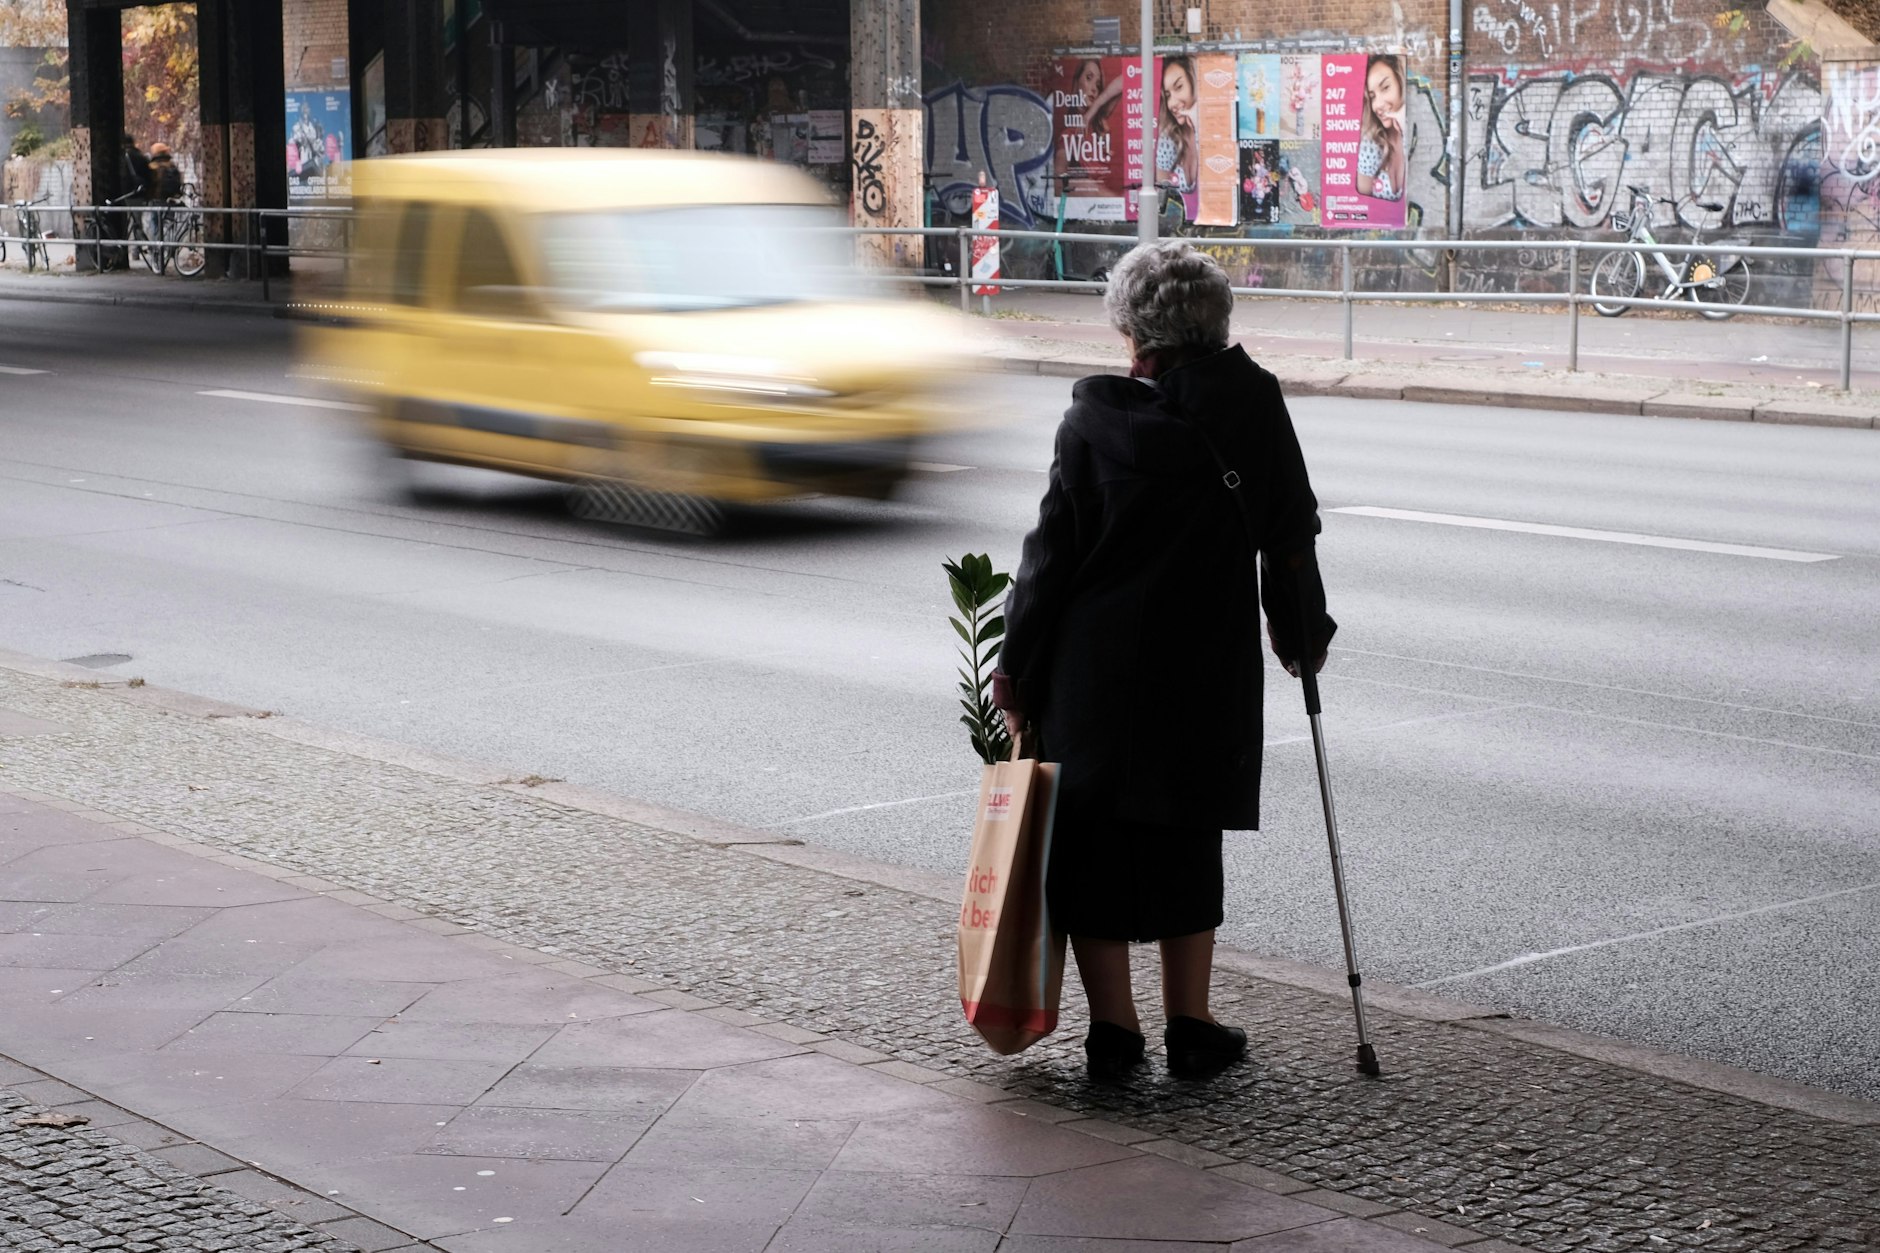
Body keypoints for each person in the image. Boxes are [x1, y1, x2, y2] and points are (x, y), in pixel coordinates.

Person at [992, 241, 1336, 1082]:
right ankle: (1193, 1025)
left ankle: (1114, 1032)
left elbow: (1049, 558)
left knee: (1092, 844)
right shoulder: (1253, 403)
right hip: (1203, 663)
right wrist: (1299, 633)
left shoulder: (1091, 420)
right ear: (1216, 320)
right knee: (1187, 833)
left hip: (1093, 667)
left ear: (1128, 328)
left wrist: (1017, 672)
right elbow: (1289, 532)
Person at [1357, 54, 1408, 202]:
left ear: (1401, 84)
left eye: (1385, 88)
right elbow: (1361, 205)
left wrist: (1405, 130)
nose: (1377, 105)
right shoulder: (1372, 144)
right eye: (1372, 96)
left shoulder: (1419, 133)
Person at [1154, 56, 1200, 198]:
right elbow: (1161, 198)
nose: (1171, 103)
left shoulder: (1213, 127)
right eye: (1167, 95)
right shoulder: (1169, 138)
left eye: (1179, 87)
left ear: (1194, 83)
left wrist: (1199, 128)